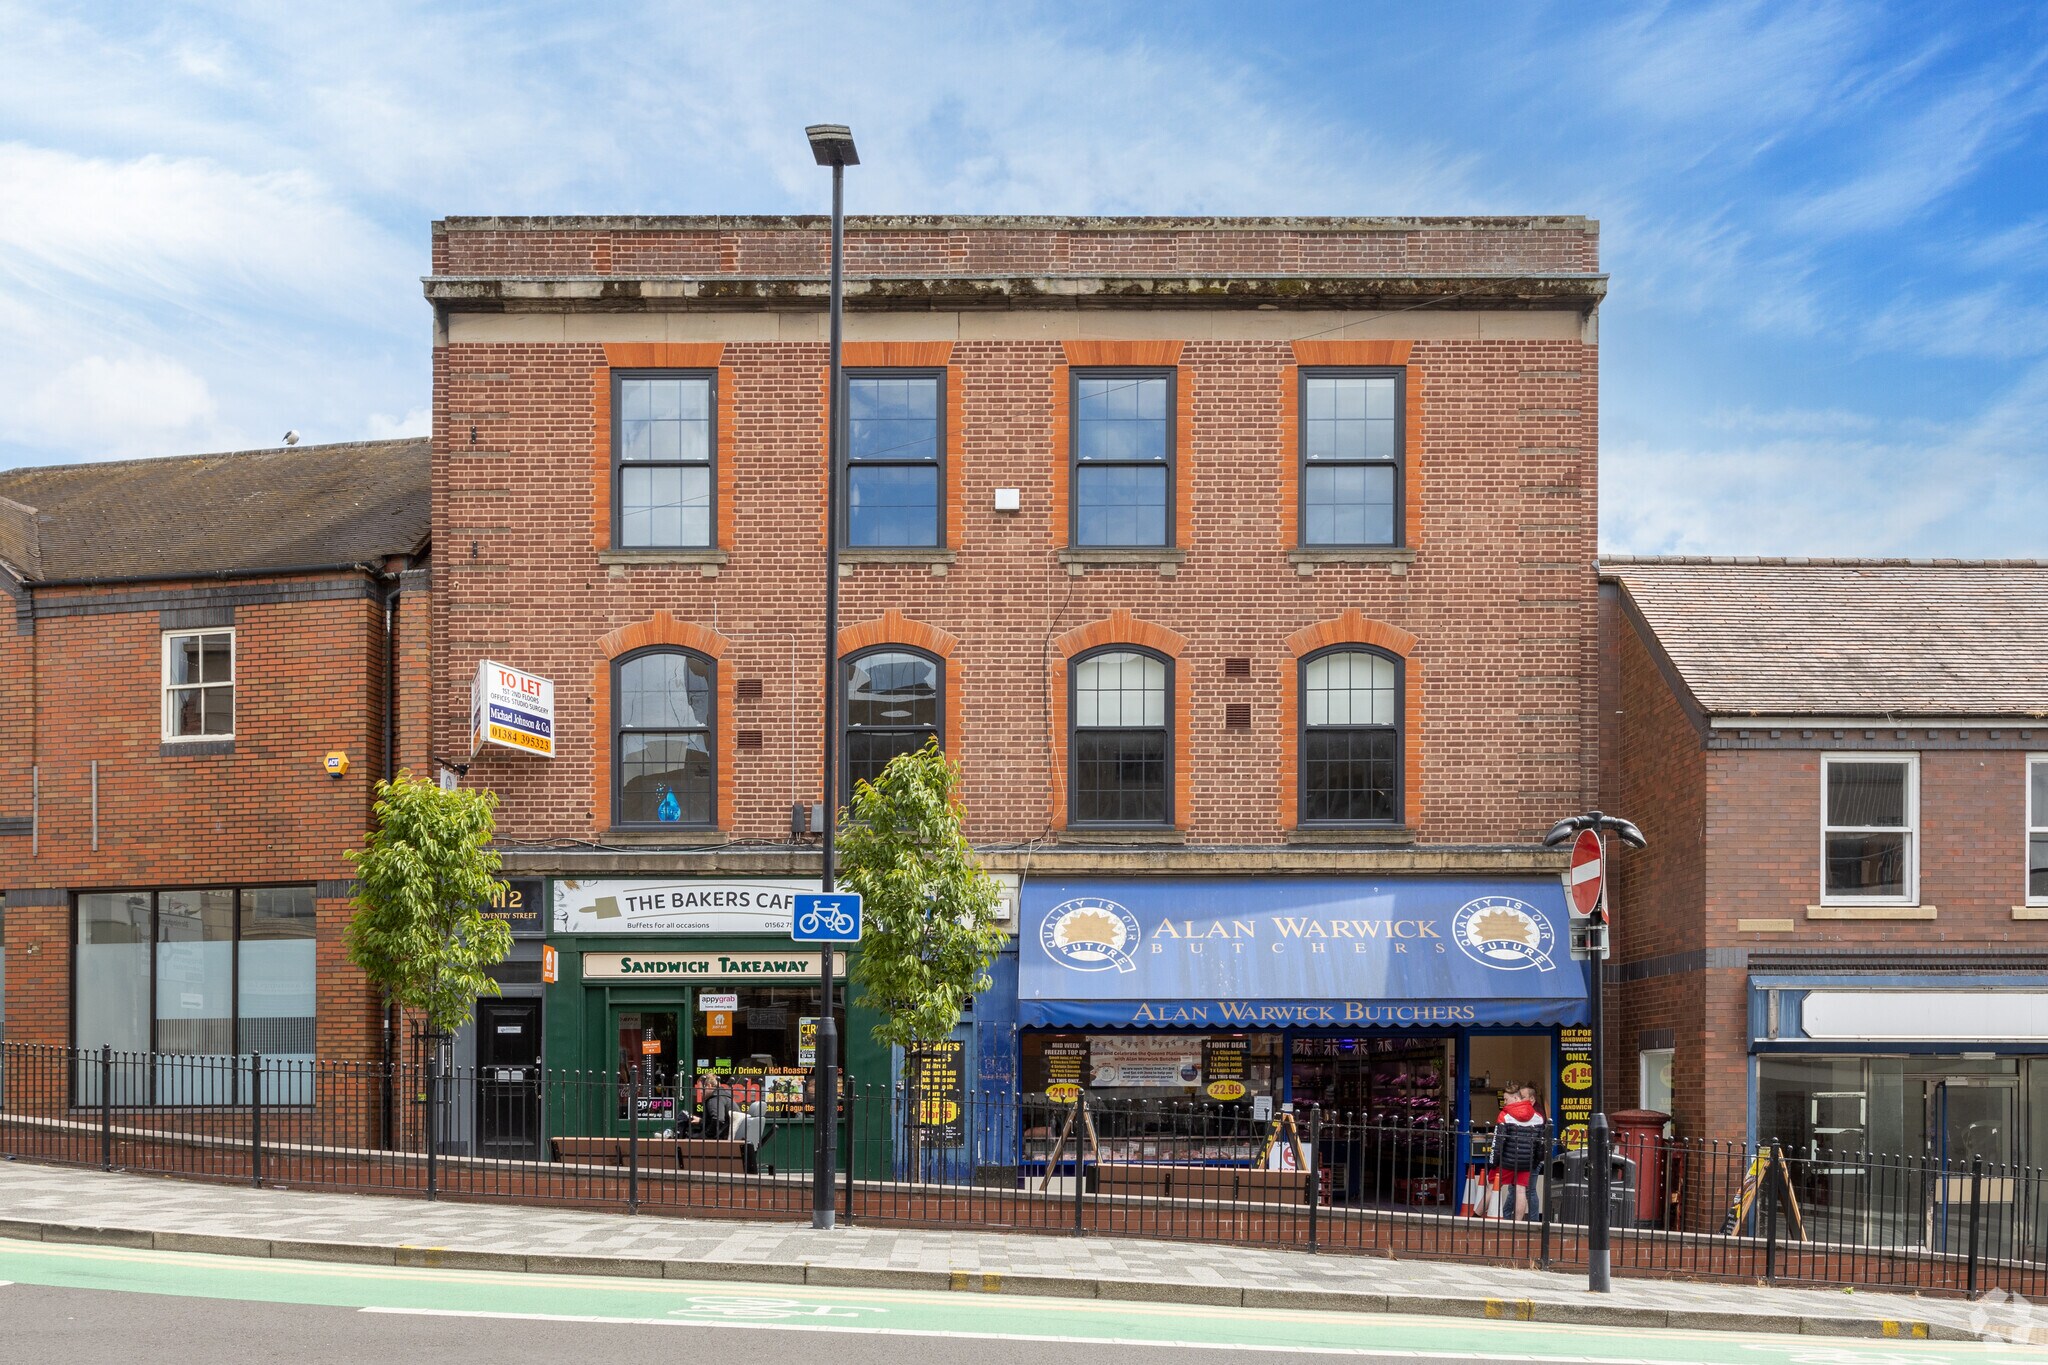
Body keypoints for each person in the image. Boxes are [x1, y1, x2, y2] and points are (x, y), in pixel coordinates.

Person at [1492, 1083, 1548, 1221]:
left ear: (1532, 1099)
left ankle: (1528, 1219)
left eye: (1522, 1097)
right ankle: (1517, 1219)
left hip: (1526, 1158)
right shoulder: (1537, 1116)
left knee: (1526, 1190)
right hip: (1529, 1158)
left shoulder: (1535, 1115)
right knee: (1520, 1190)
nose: (1519, 1099)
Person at [699, 1073, 737, 1140]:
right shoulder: (723, 1096)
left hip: (724, 1140)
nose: (700, 1092)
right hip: (730, 1137)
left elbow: (718, 1119)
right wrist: (700, 1121)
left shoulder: (715, 1099)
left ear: (709, 1086)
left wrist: (706, 1135)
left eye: (701, 1088)